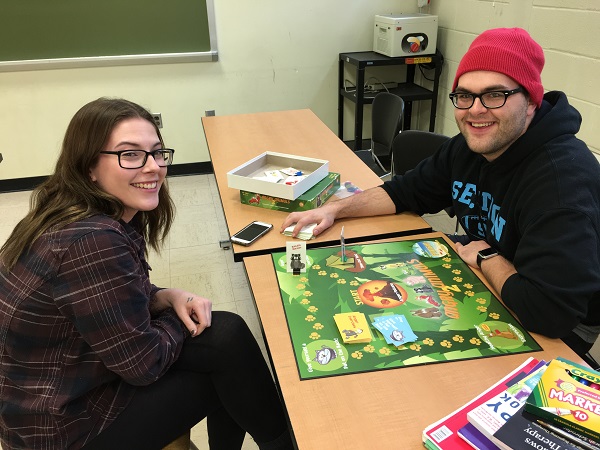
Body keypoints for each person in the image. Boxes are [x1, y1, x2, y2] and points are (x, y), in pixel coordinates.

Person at [282, 27, 600, 362]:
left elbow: (549, 313)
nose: (475, 110)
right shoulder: (468, 147)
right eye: (464, 95)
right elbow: (406, 192)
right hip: (489, 277)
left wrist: (486, 258)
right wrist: (336, 210)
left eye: (495, 95)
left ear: (532, 101)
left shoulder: (563, 183)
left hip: (558, 328)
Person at [0, 98, 293, 450]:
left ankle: (280, 441)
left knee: (226, 339)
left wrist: (165, 296)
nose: (152, 167)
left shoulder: (71, 209)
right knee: (227, 366)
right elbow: (143, 364)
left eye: (157, 153)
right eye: (130, 155)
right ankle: (285, 443)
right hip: (61, 427)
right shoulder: (92, 240)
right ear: (89, 166)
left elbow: (110, 294)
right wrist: (174, 318)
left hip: (57, 389)